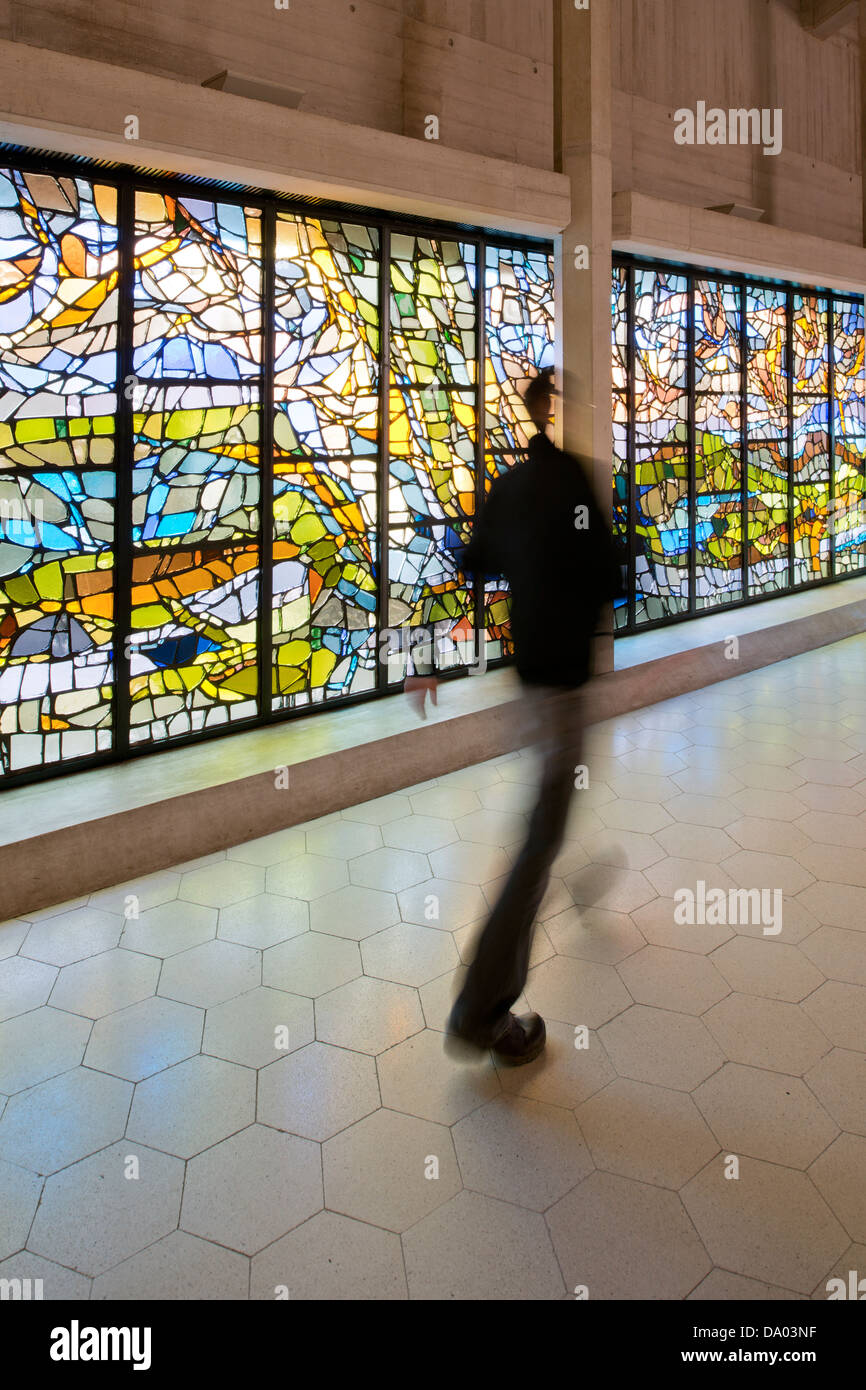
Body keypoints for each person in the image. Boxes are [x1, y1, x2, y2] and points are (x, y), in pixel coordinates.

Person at [443, 367, 623, 1065]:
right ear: (558, 410)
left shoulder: (512, 485)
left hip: (528, 677)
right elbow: (610, 577)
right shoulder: (573, 482)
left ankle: (571, 877)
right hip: (565, 680)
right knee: (541, 832)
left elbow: (474, 558)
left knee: (547, 813)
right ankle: (482, 1011)